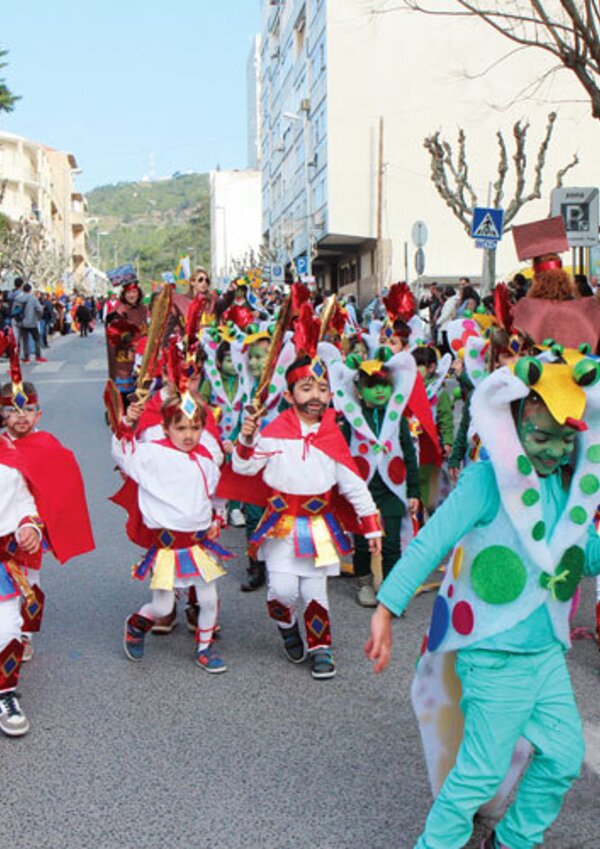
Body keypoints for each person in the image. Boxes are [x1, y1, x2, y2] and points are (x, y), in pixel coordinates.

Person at [366, 351, 600, 849]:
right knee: (480, 774)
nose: (555, 450)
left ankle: (513, 841)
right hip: (493, 654)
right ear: (514, 425)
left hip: (545, 654)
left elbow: (586, 555)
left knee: (562, 757)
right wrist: (387, 608)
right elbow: (431, 542)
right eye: (541, 436)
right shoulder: (486, 480)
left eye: (566, 439)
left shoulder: (566, 487)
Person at [226, 314, 383, 680]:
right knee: (281, 590)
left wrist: (371, 526)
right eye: (306, 388)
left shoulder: (332, 436)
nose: (316, 396)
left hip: (318, 526)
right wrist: (247, 440)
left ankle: (320, 647)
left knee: (316, 591)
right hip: (281, 525)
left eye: (322, 389)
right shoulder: (273, 432)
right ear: (289, 395)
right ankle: (286, 625)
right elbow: (245, 469)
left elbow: (353, 483)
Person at [111, 388, 232, 673]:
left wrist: (218, 517)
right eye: (180, 428)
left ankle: (204, 648)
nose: (188, 435)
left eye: (195, 428)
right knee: (163, 607)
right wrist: (127, 423)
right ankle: (137, 623)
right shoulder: (151, 454)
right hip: (167, 547)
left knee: (208, 598)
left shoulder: (206, 457)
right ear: (165, 428)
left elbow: (217, 492)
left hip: (198, 544)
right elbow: (122, 453)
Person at [335, 351, 420, 607]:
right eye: (372, 386)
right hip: (363, 488)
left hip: (394, 487)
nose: (380, 391)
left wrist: (414, 491)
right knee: (362, 541)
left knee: (392, 541)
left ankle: (391, 588)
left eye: (384, 384)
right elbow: (342, 454)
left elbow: (409, 452)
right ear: (359, 392)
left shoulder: (398, 418)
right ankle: (364, 581)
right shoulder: (351, 420)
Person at [18, 283, 46, 363]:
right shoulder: (34, 299)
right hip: (32, 322)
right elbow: (40, 309)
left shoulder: (19, 298)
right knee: (36, 339)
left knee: (25, 340)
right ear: (30, 290)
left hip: (22, 322)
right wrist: (38, 318)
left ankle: (26, 358)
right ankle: (38, 356)